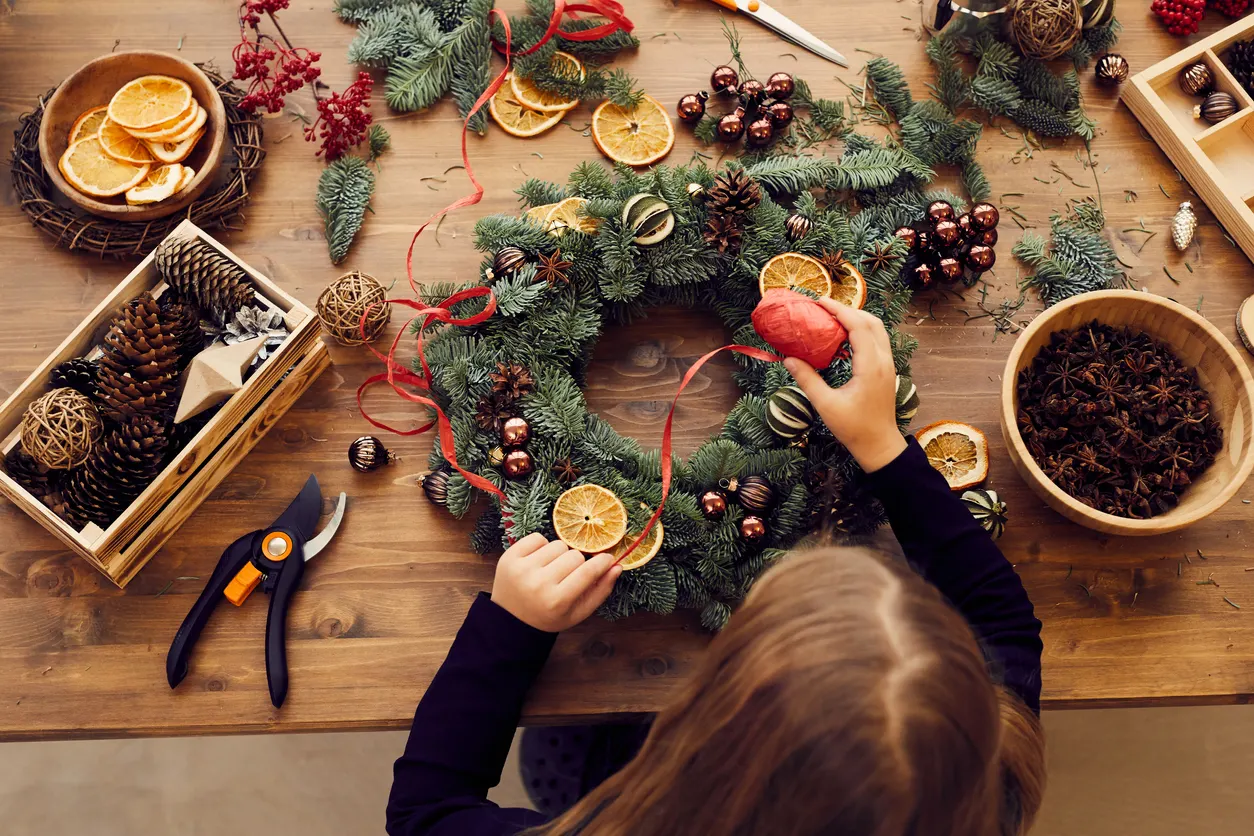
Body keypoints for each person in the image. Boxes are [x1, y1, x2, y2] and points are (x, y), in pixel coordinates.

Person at [386, 299, 1045, 836]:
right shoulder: (993, 778)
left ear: (716, 729)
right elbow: (1004, 620)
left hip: (626, 791)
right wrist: (882, 447)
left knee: (564, 755)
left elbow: (426, 813)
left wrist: (510, 629)